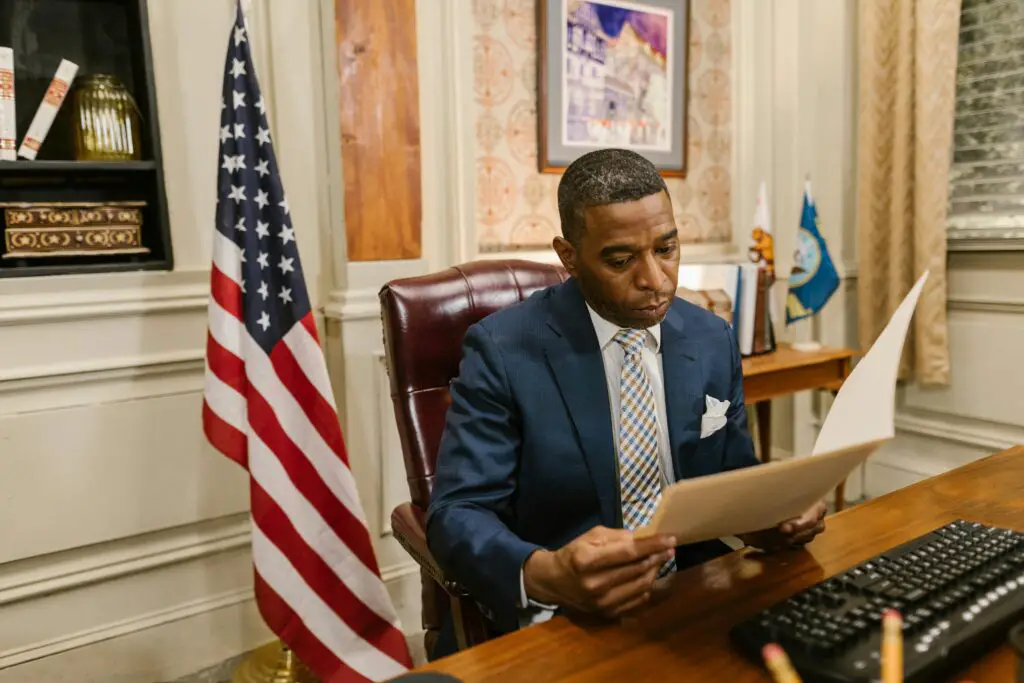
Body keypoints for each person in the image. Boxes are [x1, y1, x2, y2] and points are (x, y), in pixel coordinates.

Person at [425, 148, 826, 659]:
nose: (655, 280)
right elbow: (458, 513)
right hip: (563, 620)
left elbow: (732, 472)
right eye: (620, 260)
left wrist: (771, 514)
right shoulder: (504, 350)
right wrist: (544, 573)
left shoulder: (710, 337)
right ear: (569, 257)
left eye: (667, 248)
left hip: (692, 596)